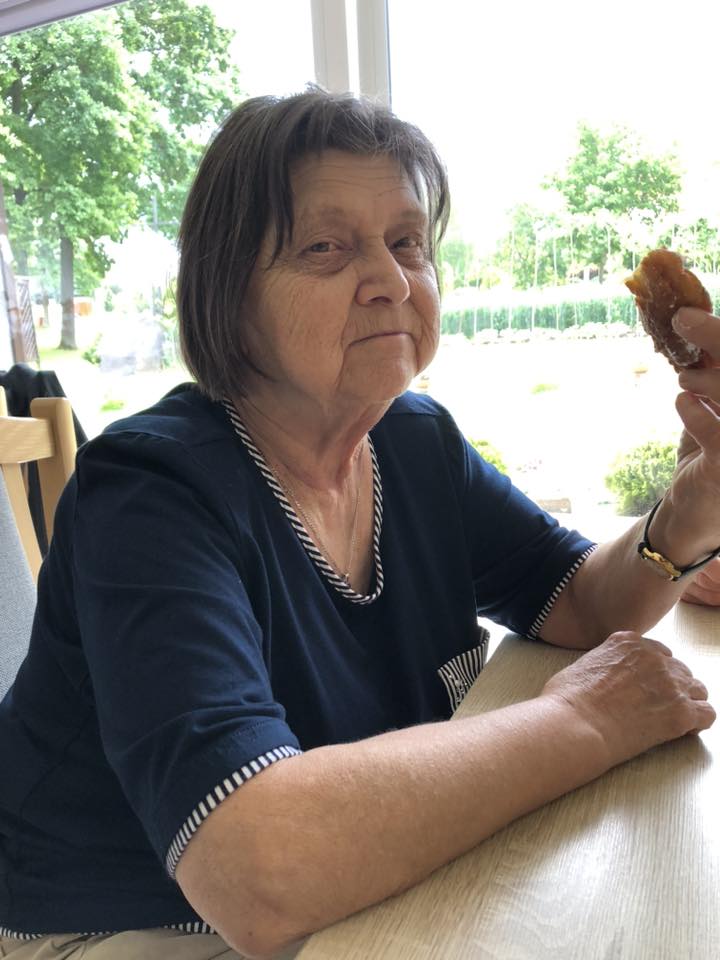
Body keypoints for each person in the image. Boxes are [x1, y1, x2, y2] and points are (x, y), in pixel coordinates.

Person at [0, 90, 718, 960]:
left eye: (407, 242)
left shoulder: (412, 441)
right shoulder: (150, 491)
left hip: (345, 895)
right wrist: (585, 720)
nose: (392, 280)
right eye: (326, 248)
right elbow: (256, 867)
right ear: (227, 292)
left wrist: (690, 508)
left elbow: (576, 599)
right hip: (116, 924)